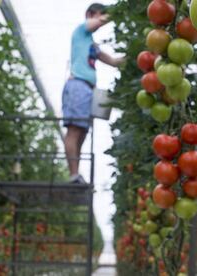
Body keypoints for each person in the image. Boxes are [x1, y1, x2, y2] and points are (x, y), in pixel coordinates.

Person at [62, 3, 124, 184]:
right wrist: (119, 11)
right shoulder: (81, 31)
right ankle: (73, 174)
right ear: (89, 14)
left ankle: (75, 174)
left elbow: (113, 61)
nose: (102, 18)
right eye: (100, 14)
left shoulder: (91, 44)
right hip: (77, 86)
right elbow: (96, 24)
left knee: (81, 132)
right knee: (74, 131)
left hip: (88, 89)